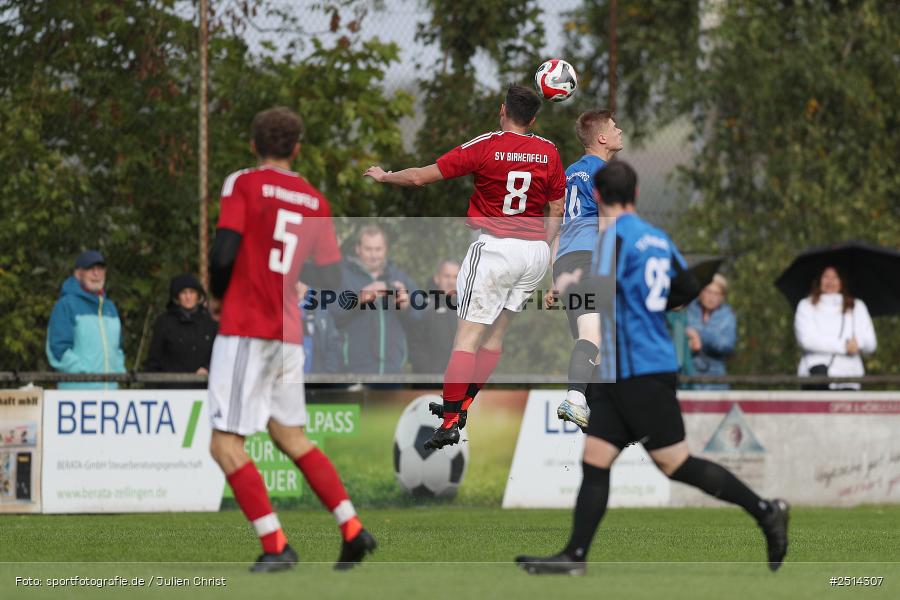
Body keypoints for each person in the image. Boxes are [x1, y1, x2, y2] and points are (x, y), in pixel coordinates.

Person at [515, 161, 789, 575]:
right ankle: (574, 557)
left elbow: (602, 294)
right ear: (638, 194)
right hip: (630, 369)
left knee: (675, 463)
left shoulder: (613, 241)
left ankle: (766, 510)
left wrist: (569, 288)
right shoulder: (658, 239)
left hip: (638, 371)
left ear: (600, 198)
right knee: (595, 458)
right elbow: (686, 290)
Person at [207, 106, 375, 573]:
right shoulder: (314, 200)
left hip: (247, 327)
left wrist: (219, 297)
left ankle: (277, 545)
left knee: (224, 444)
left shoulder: (243, 183)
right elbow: (330, 276)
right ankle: (352, 528)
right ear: (297, 148)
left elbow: (224, 253)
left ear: (252, 144)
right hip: (288, 332)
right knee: (289, 435)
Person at [364, 84, 566, 449]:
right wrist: (547, 254)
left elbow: (419, 177)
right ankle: (464, 404)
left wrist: (385, 176)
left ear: (502, 111)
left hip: (494, 250)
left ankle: (450, 419)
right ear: (534, 119)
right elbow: (556, 210)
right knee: (495, 337)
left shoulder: (487, 145)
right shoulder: (549, 152)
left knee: (466, 340)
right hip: (534, 253)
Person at [549, 109, 623, 430]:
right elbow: (608, 225)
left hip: (565, 263)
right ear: (602, 137)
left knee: (598, 347)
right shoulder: (604, 174)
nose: (619, 130)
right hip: (590, 260)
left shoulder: (569, 173)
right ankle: (575, 399)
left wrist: (553, 279)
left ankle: (603, 419)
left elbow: (559, 228)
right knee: (594, 335)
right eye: (614, 127)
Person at [330, 225, 420, 375]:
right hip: (353, 369)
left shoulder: (399, 277)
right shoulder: (342, 276)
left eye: (378, 249)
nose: (374, 255)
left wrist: (407, 305)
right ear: (358, 249)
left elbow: (421, 317)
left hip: (393, 369)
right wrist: (358, 300)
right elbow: (329, 314)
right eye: (368, 249)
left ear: (386, 250)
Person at [46, 250, 126, 390]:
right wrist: (85, 375)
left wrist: (118, 373)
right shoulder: (66, 305)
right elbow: (57, 349)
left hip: (111, 395)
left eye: (100, 269)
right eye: (90, 269)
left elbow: (117, 349)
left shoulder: (110, 308)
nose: (96, 273)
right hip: (77, 396)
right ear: (78, 274)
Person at [794, 265, 876, 390]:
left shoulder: (857, 306)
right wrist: (844, 346)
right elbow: (807, 340)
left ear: (842, 281)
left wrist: (858, 344)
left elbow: (871, 343)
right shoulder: (805, 306)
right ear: (819, 280)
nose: (830, 281)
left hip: (849, 378)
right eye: (826, 276)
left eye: (835, 277)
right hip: (815, 376)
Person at [144, 274, 218, 388]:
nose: (188, 297)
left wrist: (207, 368)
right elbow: (154, 360)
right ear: (177, 297)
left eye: (192, 292)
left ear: (198, 295)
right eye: (183, 293)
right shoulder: (164, 322)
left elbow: (219, 355)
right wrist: (152, 391)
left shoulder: (210, 323)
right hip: (171, 392)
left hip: (203, 392)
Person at [408, 259, 461, 377]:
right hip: (429, 381)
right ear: (437, 278)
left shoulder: (467, 309)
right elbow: (415, 344)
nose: (451, 281)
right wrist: (428, 375)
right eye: (447, 276)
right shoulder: (423, 306)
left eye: (455, 277)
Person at [685, 274, 737, 389]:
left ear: (722, 296)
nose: (711, 297)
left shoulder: (727, 316)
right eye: (708, 291)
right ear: (701, 292)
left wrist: (699, 335)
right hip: (688, 376)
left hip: (716, 378)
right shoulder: (688, 310)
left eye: (716, 293)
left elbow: (727, 345)